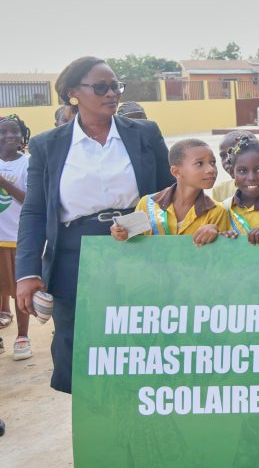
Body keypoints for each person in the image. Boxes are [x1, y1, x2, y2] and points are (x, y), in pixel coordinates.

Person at [16, 57, 174, 393]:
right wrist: (27, 273)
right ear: (73, 93)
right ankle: (95, 433)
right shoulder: (48, 145)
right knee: (80, 348)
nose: (112, 93)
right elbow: (34, 211)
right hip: (75, 257)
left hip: (139, 247)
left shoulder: (145, 133)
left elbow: (168, 196)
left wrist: (136, 226)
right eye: (101, 87)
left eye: (116, 85)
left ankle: (144, 430)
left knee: (142, 342)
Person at [111, 139, 230, 244]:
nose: (211, 169)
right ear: (176, 172)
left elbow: (219, 255)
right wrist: (121, 233)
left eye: (213, 163)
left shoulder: (217, 211)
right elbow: (135, 243)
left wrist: (217, 234)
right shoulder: (148, 203)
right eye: (199, 163)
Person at [0, 115, 31, 359]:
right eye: (3, 132)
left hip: (17, 237)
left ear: (22, 136)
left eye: (14, 131)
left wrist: (3, 182)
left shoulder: (27, 164)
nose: (10, 136)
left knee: (20, 290)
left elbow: (29, 200)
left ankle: (22, 336)